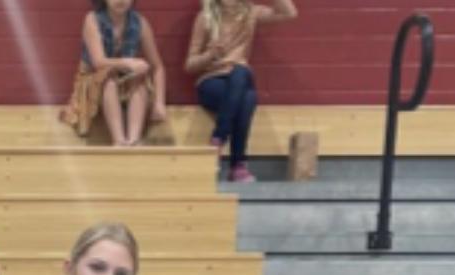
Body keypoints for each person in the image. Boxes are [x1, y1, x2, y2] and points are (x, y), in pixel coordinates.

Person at [185, 0, 298, 183]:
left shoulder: (250, 13)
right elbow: (189, 65)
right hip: (211, 82)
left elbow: (289, 13)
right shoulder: (205, 18)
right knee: (245, 89)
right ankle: (237, 164)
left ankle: (219, 138)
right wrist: (210, 55)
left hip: (238, 80)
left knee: (245, 88)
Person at [61, 1, 168, 146]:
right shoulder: (93, 19)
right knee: (109, 80)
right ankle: (119, 141)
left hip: (124, 79)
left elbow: (157, 66)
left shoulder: (140, 23)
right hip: (94, 79)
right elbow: (99, 62)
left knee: (140, 79)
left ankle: (133, 139)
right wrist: (128, 62)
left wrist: (159, 103)